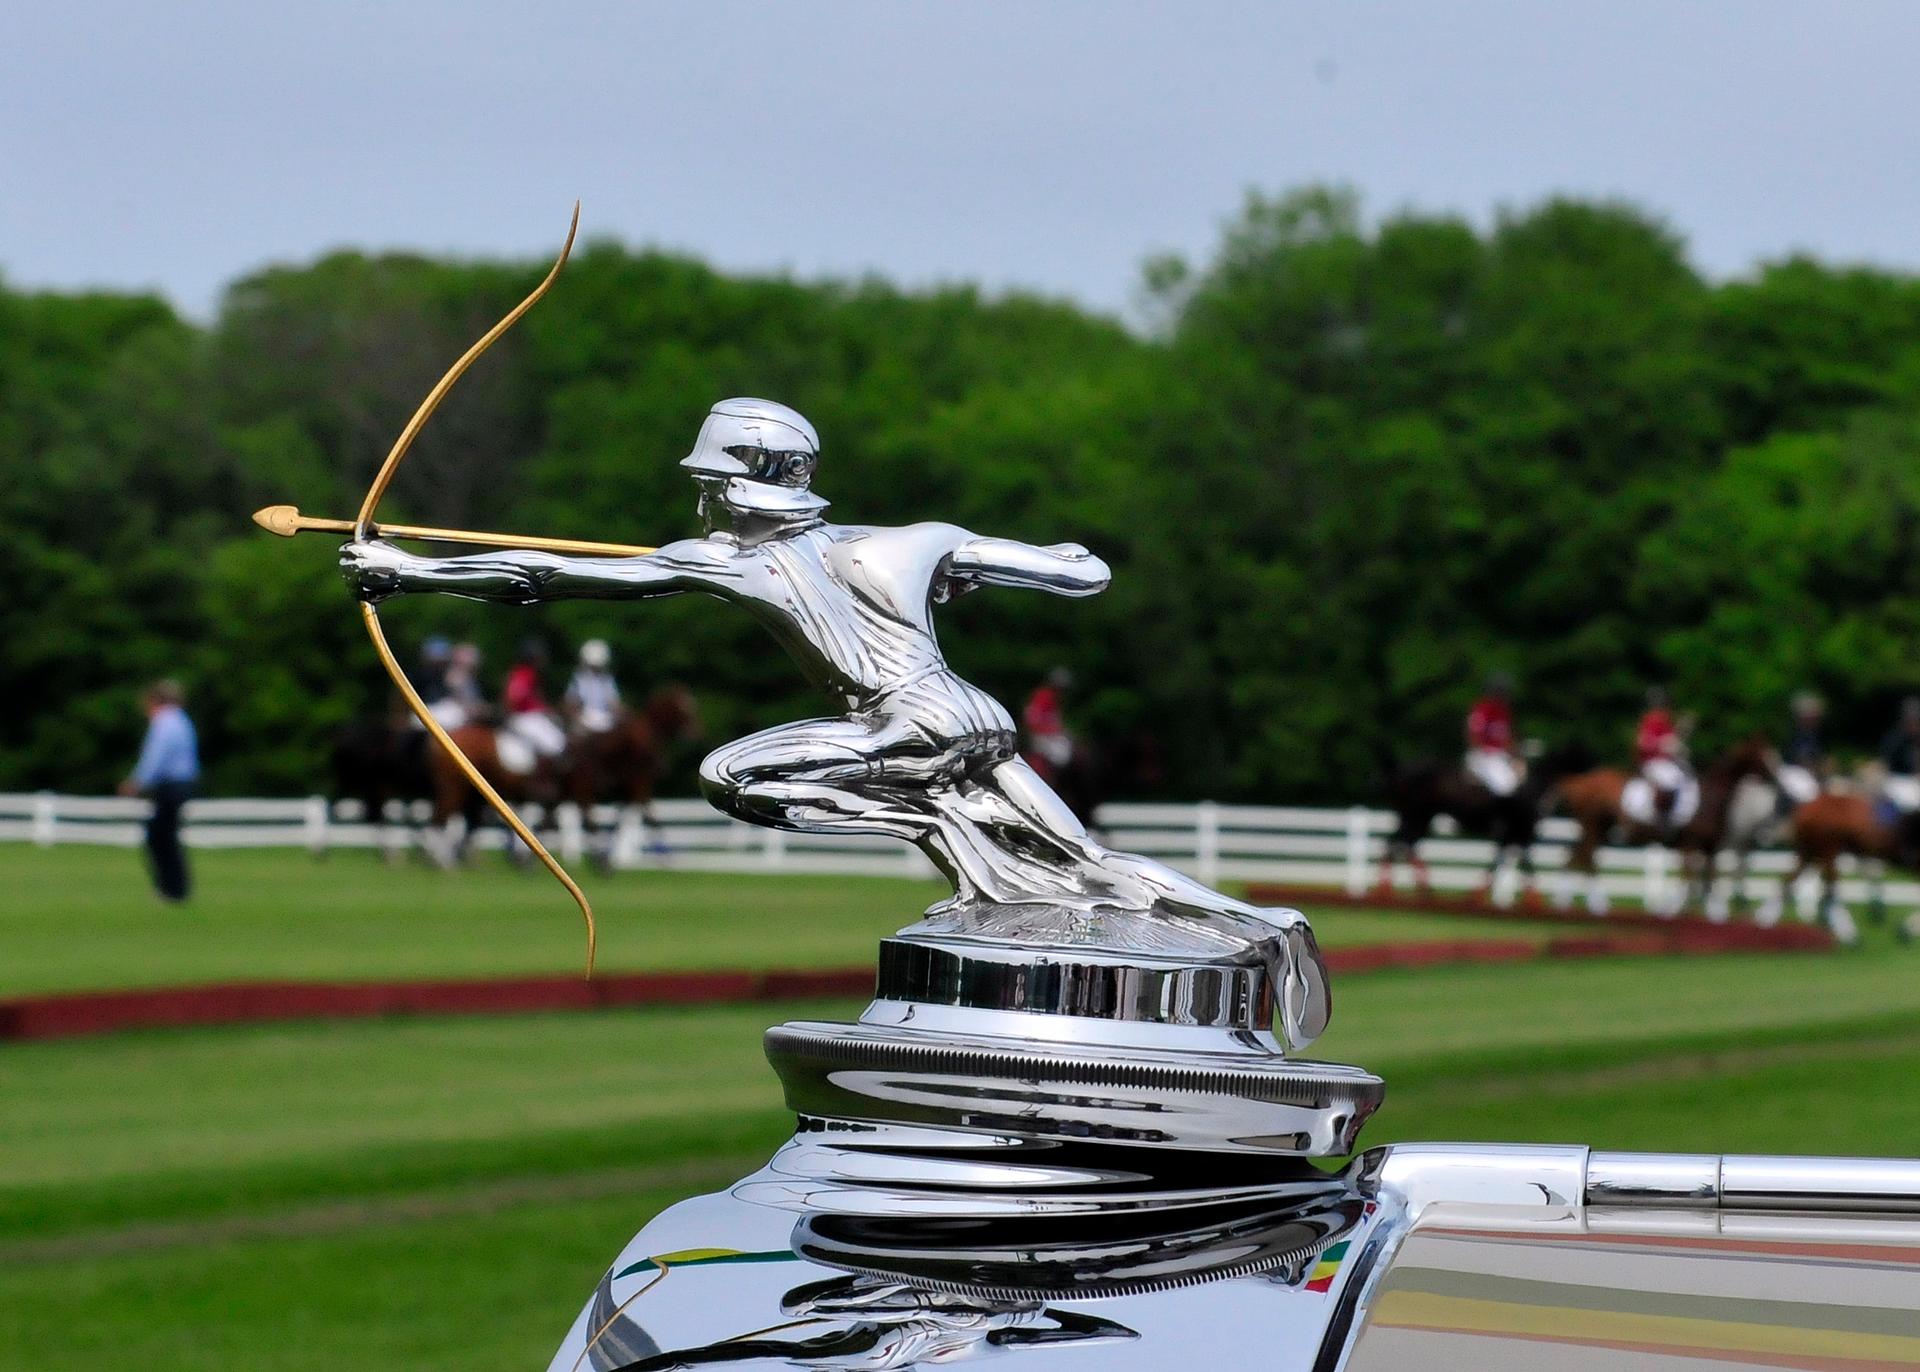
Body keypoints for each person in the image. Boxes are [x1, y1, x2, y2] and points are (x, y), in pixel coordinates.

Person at [340, 396, 1329, 1051]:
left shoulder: (729, 559)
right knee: (1090, 862)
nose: (702, 498)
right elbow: (1080, 570)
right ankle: (1262, 928)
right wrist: (977, 569)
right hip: (972, 712)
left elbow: (544, 575)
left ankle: (952, 843)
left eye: (711, 482)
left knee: (732, 778)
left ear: (743, 481)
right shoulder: (913, 539)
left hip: (900, 723)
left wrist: (407, 572)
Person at [117, 679, 200, 902]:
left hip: (170, 785)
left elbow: (155, 757)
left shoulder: (164, 722)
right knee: (165, 835)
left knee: (158, 836)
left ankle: (171, 888)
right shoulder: (182, 720)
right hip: (183, 784)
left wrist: (137, 782)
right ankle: (176, 888)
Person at [1626, 686, 1697, 829]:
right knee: (1671, 781)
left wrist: (1678, 743)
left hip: (1666, 762)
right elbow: (1642, 743)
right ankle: (1660, 820)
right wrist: (1664, 745)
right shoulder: (1651, 719)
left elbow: (1671, 742)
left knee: (1688, 779)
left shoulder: (1665, 719)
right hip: (1653, 762)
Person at [503, 638, 568, 760]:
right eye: (539, 656)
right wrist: (542, 709)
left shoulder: (529, 674)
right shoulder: (524, 674)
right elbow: (514, 700)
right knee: (556, 745)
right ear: (532, 658)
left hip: (530, 717)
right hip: (524, 718)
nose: (543, 659)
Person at [1464, 672, 1523, 797]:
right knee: (1505, 787)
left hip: (1500, 756)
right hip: (1484, 755)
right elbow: (1473, 735)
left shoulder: (1504, 711)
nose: (1505, 695)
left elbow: (1509, 738)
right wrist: (1483, 753)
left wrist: (1515, 754)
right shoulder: (1482, 709)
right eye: (1501, 691)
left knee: (1518, 779)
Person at [1022, 667, 1075, 782]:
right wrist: (1048, 729)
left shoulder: (1056, 699)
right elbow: (1032, 718)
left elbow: (1056, 720)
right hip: (1041, 735)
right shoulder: (1043, 696)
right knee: (1061, 756)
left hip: (1051, 735)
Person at [1776, 691, 1827, 805]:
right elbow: (1798, 757)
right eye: (1812, 716)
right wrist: (1815, 765)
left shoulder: (1815, 734)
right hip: (1793, 771)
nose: (1815, 719)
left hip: (1810, 772)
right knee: (1805, 792)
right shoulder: (1795, 734)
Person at [564, 638, 624, 734]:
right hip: (584, 719)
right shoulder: (579, 679)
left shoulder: (607, 679)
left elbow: (614, 703)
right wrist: (577, 718)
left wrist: (619, 713)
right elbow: (571, 703)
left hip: (606, 719)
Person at [1879, 697, 1920, 819]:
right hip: (1898, 780)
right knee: (1911, 803)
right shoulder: (1895, 739)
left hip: (1913, 781)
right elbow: (1887, 764)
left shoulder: (1916, 738)